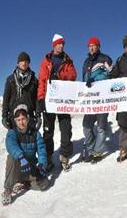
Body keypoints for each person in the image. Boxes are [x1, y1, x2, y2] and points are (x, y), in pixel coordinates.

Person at [36, 34, 77, 171]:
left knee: (66, 129)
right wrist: (41, 98)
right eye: (59, 44)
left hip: (63, 101)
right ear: (54, 45)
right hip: (50, 101)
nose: (61, 46)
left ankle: (64, 157)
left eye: (62, 44)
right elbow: (41, 80)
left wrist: (59, 76)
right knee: (48, 132)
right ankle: (48, 158)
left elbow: (73, 75)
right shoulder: (46, 61)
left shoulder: (67, 60)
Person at [1, 104, 49, 206]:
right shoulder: (12, 133)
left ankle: (25, 183)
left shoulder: (35, 134)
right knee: (11, 158)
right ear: (15, 121)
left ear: (27, 119)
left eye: (23, 119)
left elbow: (41, 150)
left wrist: (41, 164)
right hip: (19, 166)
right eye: (18, 120)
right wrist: (21, 157)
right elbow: (11, 145)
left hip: (30, 167)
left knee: (45, 183)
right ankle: (8, 190)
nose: (21, 122)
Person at [82, 37, 113, 164]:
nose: (92, 47)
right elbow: (84, 79)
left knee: (101, 127)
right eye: (90, 46)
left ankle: (97, 151)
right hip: (90, 100)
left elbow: (110, 74)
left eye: (94, 45)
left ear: (98, 46)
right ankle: (90, 149)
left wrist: (96, 80)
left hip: (102, 99)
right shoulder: (86, 62)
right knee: (86, 126)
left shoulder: (105, 59)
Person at [2, 52, 39, 130]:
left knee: (31, 140)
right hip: (14, 117)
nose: (24, 63)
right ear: (18, 63)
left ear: (29, 63)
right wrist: (4, 116)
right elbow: (6, 98)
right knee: (14, 140)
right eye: (22, 61)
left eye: (26, 61)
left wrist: (38, 115)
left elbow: (36, 99)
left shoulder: (34, 80)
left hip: (29, 115)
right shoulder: (10, 79)